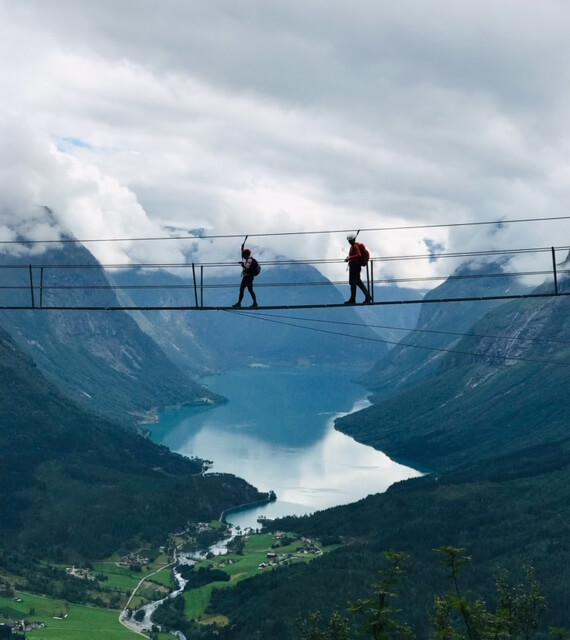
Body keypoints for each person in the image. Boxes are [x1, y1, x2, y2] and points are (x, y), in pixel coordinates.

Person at [344, 234, 372, 305]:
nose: (349, 242)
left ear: (353, 240)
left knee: (354, 282)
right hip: (355, 266)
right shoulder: (354, 246)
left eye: (350, 240)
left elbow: (359, 255)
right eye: (349, 241)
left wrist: (350, 257)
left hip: (355, 266)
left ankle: (356, 298)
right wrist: (350, 258)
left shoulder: (355, 246)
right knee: (355, 282)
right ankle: (364, 296)